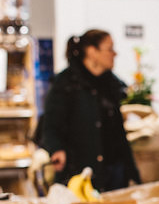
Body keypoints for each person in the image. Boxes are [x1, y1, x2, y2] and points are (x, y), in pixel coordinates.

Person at [39, 29, 141, 192]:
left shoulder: (112, 83)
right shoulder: (66, 83)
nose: (115, 54)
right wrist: (56, 149)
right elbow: (51, 125)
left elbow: (119, 132)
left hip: (114, 171)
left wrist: (132, 173)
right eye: (110, 49)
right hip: (80, 170)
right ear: (92, 52)